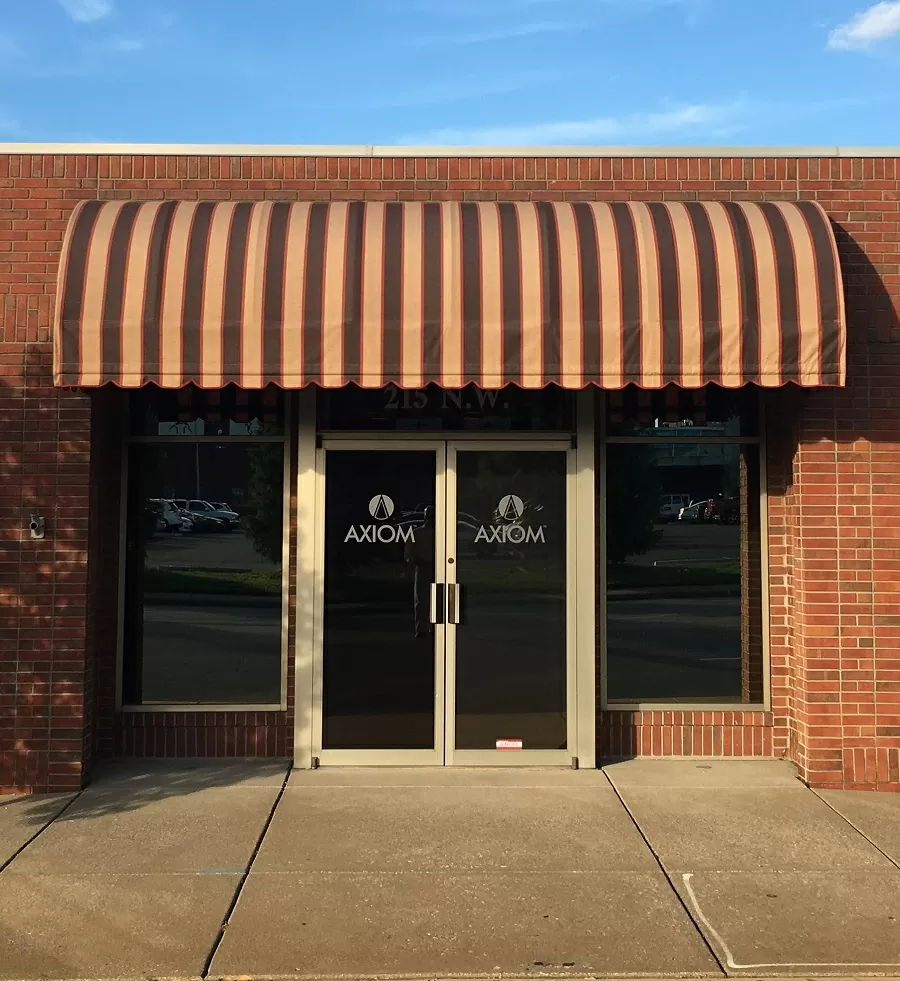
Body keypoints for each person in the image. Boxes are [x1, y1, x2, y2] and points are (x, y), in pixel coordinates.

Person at [404, 505, 435, 638]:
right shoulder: (417, 533)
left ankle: (433, 627)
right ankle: (421, 628)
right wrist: (412, 565)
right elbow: (408, 553)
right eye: (429, 515)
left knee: (436, 598)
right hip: (422, 568)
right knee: (421, 600)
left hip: (437, 568)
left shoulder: (441, 532)